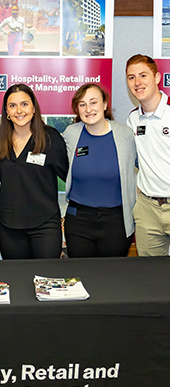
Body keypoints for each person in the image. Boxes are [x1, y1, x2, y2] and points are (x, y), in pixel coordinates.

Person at [0, 83, 68, 259]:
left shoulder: (51, 139)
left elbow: (70, 176)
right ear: (6, 111)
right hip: (9, 226)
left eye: (24, 104)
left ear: (33, 108)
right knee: (16, 279)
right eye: (12, 105)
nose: (19, 110)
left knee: (47, 279)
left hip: (45, 224)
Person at [62, 83, 137, 258]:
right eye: (82, 104)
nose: (88, 109)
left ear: (104, 105)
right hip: (78, 220)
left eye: (93, 102)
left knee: (112, 276)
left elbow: (145, 164)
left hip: (116, 222)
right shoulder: (71, 134)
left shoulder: (125, 135)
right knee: (80, 275)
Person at [126, 54, 170, 256]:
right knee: (150, 275)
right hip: (147, 208)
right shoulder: (133, 119)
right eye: (131, 77)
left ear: (157, 77)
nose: (137, 82)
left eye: (143, 75)